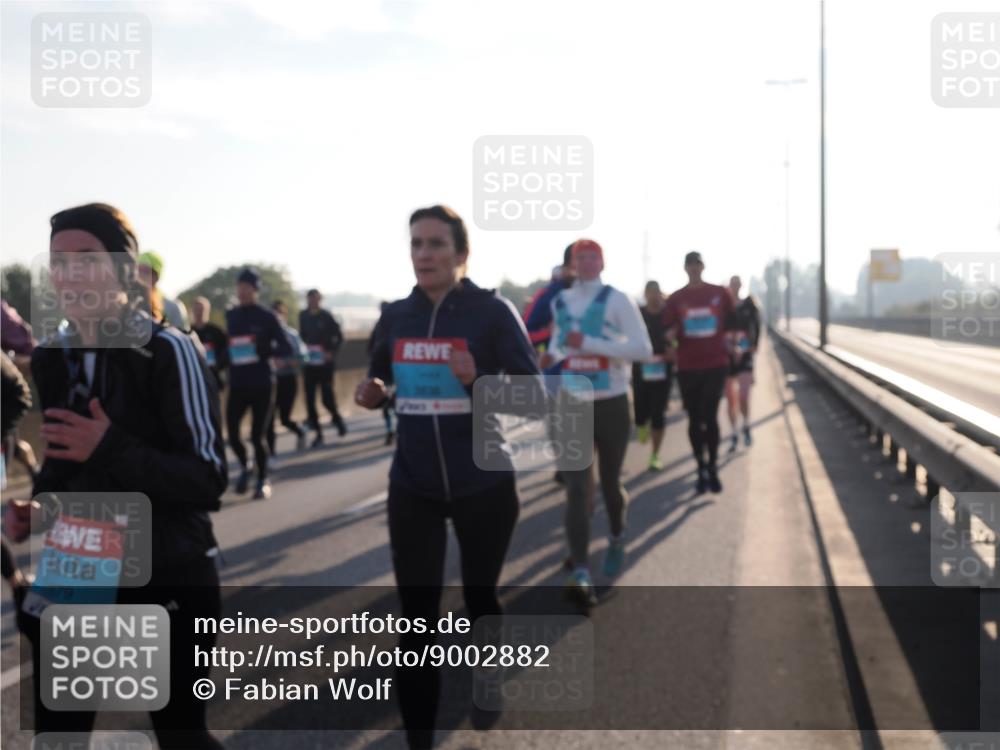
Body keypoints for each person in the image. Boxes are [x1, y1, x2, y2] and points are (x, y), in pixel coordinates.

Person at [3, 202, 226, 750]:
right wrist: (40, 509)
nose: (70, 274)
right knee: (58, 737)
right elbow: (63, 460)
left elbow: (207, 478)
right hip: (80, 562)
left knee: (181, 736)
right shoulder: (52, 356)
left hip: (168, 565)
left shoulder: (169, 350)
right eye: (59, 262)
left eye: (88, 259)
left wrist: (110, 446)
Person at [355, 205, 539, 749]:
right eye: (416, 243)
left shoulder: (492, 313)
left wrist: (477, 379)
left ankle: (488, 672)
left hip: (484, 483)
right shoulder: (397, 316)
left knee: (480, 596)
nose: (424, 254)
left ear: (461, 253)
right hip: (413, 486)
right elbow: (378, 373)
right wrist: (373, 391)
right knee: (416, 618)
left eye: (436, 244)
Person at [542, 239, 652, 607]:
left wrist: (589, 342)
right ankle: (580, 571)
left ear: (602, 262)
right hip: (573, 401)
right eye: (581, 257)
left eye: (593, 256)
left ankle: (617, 535)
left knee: (608, 484)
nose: (587, 262)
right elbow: (561, 341)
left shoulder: (618, 300)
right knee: (576, 488)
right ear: (573, 264)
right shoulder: (561, 301)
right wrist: (552, 355)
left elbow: (642, 350)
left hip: (612, 402)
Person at [662, 251, 736, 494]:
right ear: (685, 268)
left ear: (703, 267)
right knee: (694, 419)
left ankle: (713, 466)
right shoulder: (676, 298)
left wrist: (733, 342)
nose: (694, 268)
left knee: (710, 415)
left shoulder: (719, 293)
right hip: (688, 366)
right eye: (690, 265)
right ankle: (700, 467)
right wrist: (670, 340)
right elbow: (666, 330)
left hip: (715, 364)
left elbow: (733, 320)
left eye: (697, 264)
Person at [225, 267, 292, 499]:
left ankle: (263, 479)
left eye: (246, 288)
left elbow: (286, 347)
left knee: (257, 436)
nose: (242, 292)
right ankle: (246, 465)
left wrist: (266, 350)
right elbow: (229, 346)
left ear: (255, 290)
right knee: (232, 433)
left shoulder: (267, 317)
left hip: (262, 383)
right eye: (239, 287)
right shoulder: (232, 315)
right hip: (237, 383)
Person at [632, 280, 674, 471]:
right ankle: (641, 426)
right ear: (645, 294)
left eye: (656, 292)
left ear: (660, 293)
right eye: (649, 292)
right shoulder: (638, 313)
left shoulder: (668, 314)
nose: (653, 296)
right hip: (641, 369)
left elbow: (678, 337)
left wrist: (673, 351)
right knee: (640, 413)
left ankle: (655, 455)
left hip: (663, 370)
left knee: (658, 414)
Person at [299, 289, 347, 445]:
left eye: (315, 298)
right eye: (310, 298)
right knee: (310, 399)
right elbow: (302, 337)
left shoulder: (326, 316)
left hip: (325, 364)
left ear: (320, 299)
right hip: (310, 363)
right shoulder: (303, 315)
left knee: (327, 398)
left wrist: (331, 352)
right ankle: (318, 433)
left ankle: (337, 419)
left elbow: (339, 337)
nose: (313, 301)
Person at [267, 299, 309, 463]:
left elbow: (304, 357)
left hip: (288, 380)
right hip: (270, 382)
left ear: (284, 315)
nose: (277, 318)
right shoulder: (265, 336)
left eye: (280, 314)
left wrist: (286, 362)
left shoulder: (292, 335)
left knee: (284, 419)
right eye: (274, 315)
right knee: (269, 419)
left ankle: (300, 431)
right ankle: (271, 454)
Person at [725, 276, 761, 451]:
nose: (735, 286)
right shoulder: (724, 307)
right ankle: (733, 433)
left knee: (743, 396)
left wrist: (749, 348)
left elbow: (756, 329)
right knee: (730, 399)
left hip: (745, 356)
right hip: (728, 358)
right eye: (732, 283)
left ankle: (746, 425)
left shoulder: (749, 305)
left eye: (737, 283)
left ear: (741, 285)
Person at [523, 244, 576, 354]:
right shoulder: (548, 295)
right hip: (557, 361)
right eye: (581, 258)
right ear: (568, 265)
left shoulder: (605, 297)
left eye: (594, 258)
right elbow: (525, 335)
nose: (587, 264)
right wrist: (550, 332)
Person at [137, 250, 190, 330]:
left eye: (145, 271)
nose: (139, 276)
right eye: (138, 270)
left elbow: (182, 335)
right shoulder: (128, 305)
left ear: (156, 277)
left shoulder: (173, 307)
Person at [366, 301, 395, 446]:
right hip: (386, 373)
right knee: (388, 403)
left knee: (390, 404)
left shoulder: (392, 326)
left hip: (394, 372)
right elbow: (372, 350)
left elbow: (371, 349)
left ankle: (392, 428)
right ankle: (391, 429)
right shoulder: (384, 326)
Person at [191, 296, 229, 392]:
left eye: (202, 309)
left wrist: (218, 366)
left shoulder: (217, 331)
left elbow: (226, 351)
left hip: (214, 378)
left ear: (208, 310)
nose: (199, 312)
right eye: (197, 309)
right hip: (195, 379)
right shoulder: (188, 333)